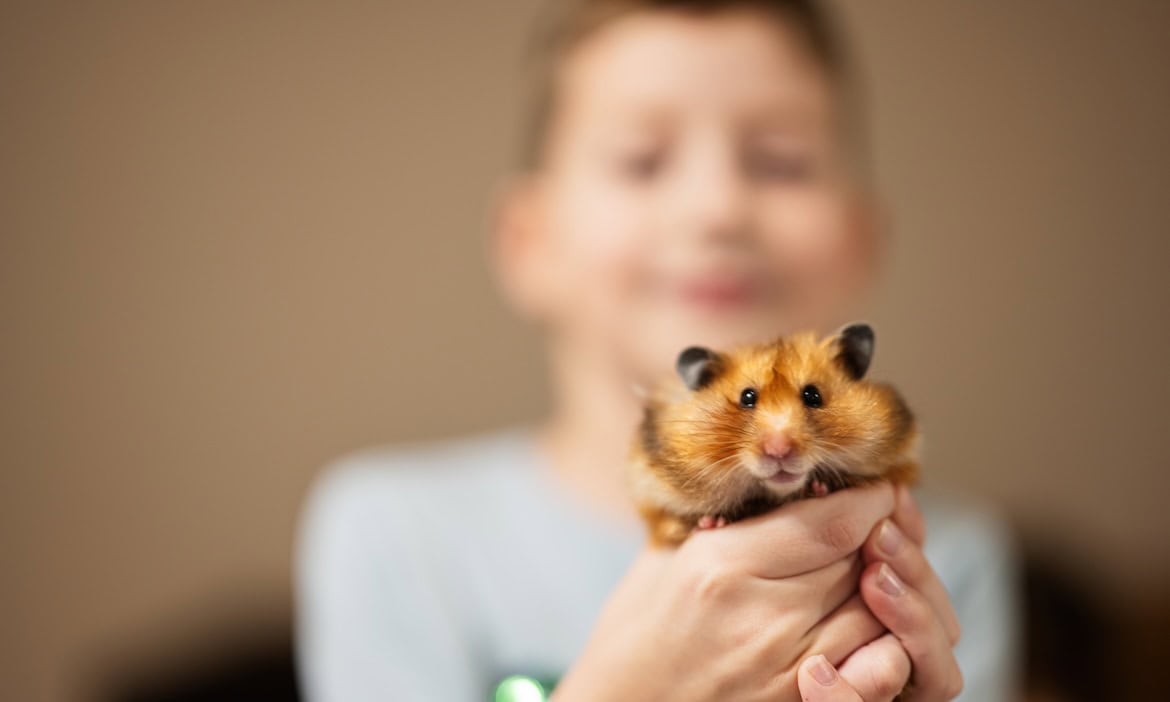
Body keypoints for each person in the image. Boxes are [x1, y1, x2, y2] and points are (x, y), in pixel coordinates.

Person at [294, 1, 1020, 700]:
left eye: (781, 161)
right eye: (641, 161)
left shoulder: (951, 556)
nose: (716, 208)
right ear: (528, 242)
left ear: (860, 243)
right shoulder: (393, 532)